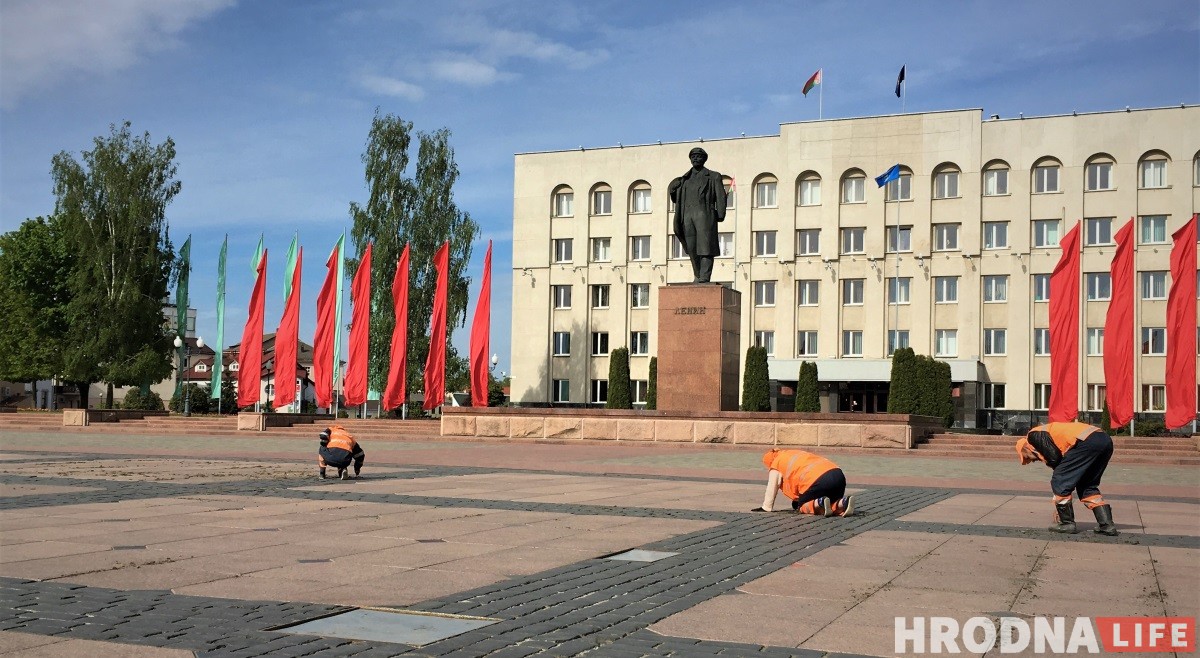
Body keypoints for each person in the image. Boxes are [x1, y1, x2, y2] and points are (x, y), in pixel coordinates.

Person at [1015, 421, 1118, 536]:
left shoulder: (1033, 435)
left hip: (1087, 441)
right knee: (1087, 485)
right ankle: (1106, 525)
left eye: (1027, 458)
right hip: (1104, 440)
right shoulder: (1043, 434)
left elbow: (1055, 459)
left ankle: (1066, 523)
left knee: (1059, 480)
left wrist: (1060, 509)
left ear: (1025, 448)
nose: (1032, 461)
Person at [668, 147, 728, 283]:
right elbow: (677, 199)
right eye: (693, 156)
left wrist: (720, 214)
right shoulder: (684, 179)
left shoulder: (713, 176)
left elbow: (721, 196)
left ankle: (704, 276)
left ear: (704, 159)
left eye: (698, 156)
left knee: (706, 247)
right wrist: (673, 190)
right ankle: (698, 275)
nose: (695, 158)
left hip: (705, 215)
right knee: (692, 247)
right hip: (687, 216)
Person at [752, 448, 854, 516]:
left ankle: (820, 502)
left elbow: (772, 486)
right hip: (838, 476)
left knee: (801, 506)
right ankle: (843, 503)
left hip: (818, 480)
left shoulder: (776, 463)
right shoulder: (792, 453)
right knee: (831, 501)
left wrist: (766, 507)